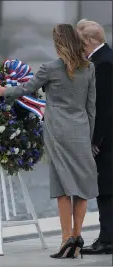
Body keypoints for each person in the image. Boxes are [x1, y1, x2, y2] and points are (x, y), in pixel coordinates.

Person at [0, 24, 98, 259]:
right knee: (82, 187)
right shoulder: (89, 69)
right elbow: (91, 109)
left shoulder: (50, 69)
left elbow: (26, 89)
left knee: (61, 187)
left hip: (57, 133)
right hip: (81, 131)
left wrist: (2, 91)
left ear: (58, 43)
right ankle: (77, 238)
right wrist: (88, 137)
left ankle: (66, 238)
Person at [76, 19, 113, 255]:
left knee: (107, 190)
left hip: (107, 141)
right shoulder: (105, 58)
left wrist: (94, 141)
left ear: (89, 41)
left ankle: (107, 240)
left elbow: (105, 107)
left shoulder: (102, 64)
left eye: (80, 43)